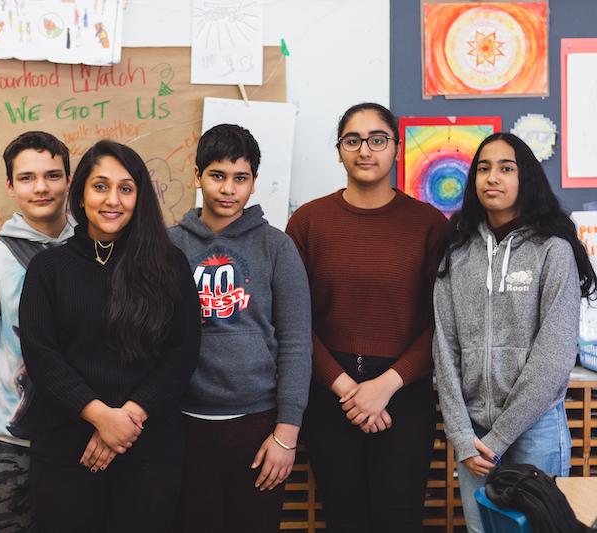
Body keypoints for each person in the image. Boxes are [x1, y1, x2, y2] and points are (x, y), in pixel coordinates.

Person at [18, 140, 201, 532]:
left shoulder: (169, 265)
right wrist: (100, 416)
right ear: (80, 194)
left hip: (149, 449)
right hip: (66, 449)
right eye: (100, 186)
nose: (112, 199)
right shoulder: (48, 268)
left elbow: (182, 353)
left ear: (140, 198)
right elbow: (41, 355)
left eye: (126, 188)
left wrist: (127, 418)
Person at [285, 103, 449, 533]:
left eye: (378, 139)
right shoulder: (307, 222)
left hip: (404, 392)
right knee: (343, 518)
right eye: (352, 140)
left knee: (400, 518)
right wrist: (349, 391)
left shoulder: (429, 224)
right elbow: (294, 320)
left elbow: (443, 321)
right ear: (338, 150)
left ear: (396, 148)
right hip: (329, 390)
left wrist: (385, 385)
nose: (365, 150)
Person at [432, 132, 597, 533]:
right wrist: (462, 436)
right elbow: (444, 345)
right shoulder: (457, 252)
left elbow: (554, 357)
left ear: (526, 178)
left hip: (535, 430)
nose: (493, 177)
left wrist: (498, 437)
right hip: (473, 435)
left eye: (506, 168)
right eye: (484, 168)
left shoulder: (553, 250)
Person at [169, 124, 312, 533]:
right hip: (184, 421)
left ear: (253, 183)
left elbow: (297, 343)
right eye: (217, 176)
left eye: (240, 178)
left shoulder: (277, 246)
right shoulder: (168, 246)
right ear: (197, 176)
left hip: (258, 424)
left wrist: (287, 433)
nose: (228, 189)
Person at [0, 131, 74, 532]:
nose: (40, 187)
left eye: (52, 175)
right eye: (26, 178)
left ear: (69, 180)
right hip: (10, 445)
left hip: (80, 437)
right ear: (10, 185)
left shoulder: (93, 251)